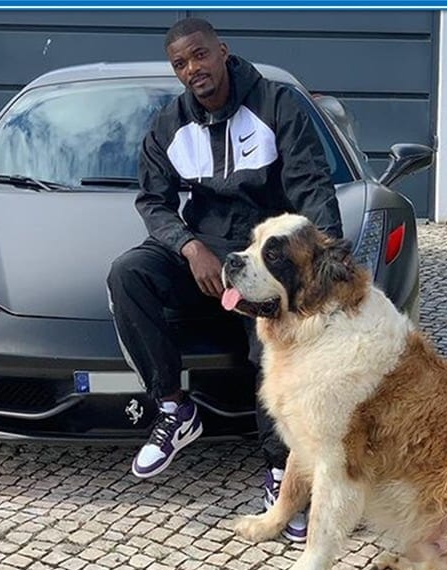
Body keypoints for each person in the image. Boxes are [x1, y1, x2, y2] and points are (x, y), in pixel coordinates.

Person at [106, 17, 342, 542]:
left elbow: (312, 189)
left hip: (267, 253)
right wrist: (190, 247)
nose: (193, 70)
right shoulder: (169, 123)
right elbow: (153, 199)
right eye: (181, 64)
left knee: (271, 359)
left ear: (223, 52)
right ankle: (173, 407)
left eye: (200, 56)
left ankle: (284, 479)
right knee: (130, 273)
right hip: (207, 250)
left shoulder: (277, 105)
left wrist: (320, 271)